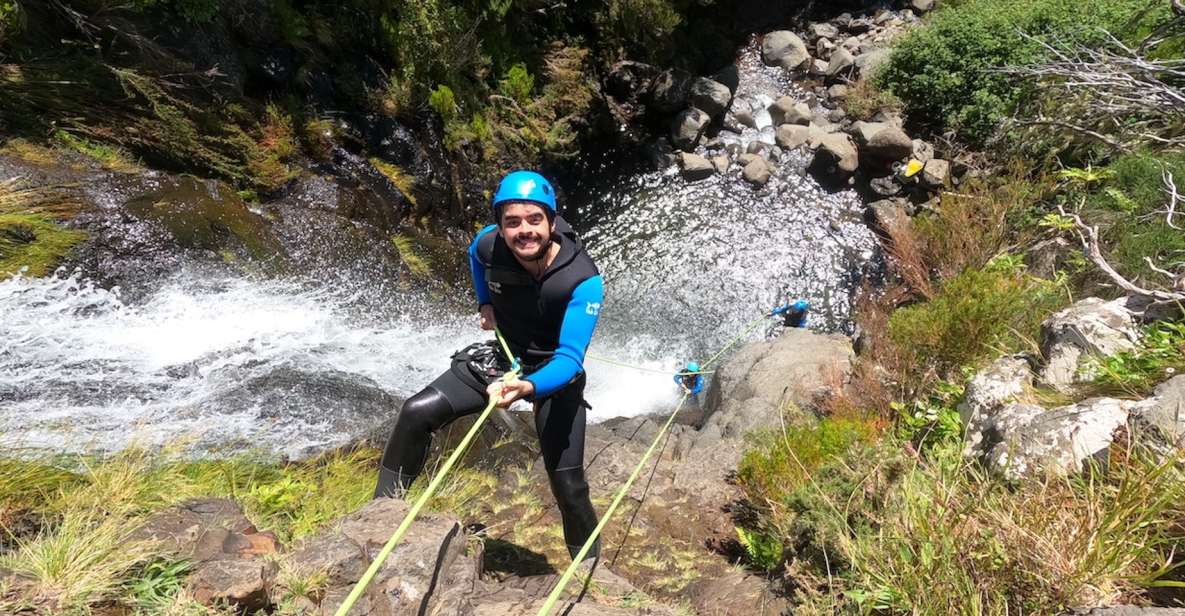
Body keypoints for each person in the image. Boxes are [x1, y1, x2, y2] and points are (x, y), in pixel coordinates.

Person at [374, 169, 606, 567]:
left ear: (552, 221)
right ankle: (379, 519)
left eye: (535, 220)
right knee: (416, 412)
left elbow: (569, 358)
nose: (524, 231)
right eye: (512, 222)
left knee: (568, 485)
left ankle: (589, 570)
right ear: (499, 226)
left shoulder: (582, 280)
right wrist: (485, 302)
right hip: (503, 355)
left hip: (552, 369)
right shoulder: (488, 246)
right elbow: (473, 255)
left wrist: (527, 388)